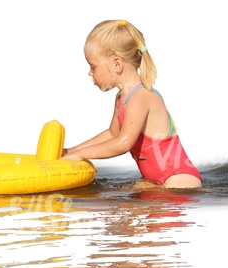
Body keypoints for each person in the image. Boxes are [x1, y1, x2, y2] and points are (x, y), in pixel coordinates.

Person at [61, 19, 202, 189]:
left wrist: (80, 155)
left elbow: (122, 143)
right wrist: (71, 151)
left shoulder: (140, 97)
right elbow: (113, 134)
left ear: (117, 64)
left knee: (120, 203)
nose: (90, 73)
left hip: (179, 180)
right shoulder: (122, 97)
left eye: (93, 66)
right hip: (158, 182)